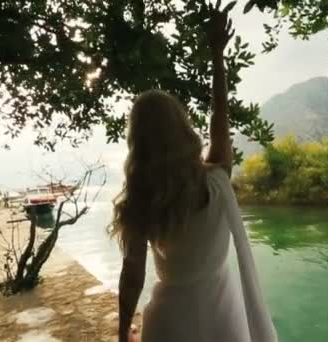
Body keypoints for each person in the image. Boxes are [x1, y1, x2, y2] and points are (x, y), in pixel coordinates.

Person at [110, 4, 277, 342]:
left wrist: (122, 330)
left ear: (137, 143)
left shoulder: (141, 201)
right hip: (223, 313)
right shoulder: (216, 181)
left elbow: (132, 276)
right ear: (184, 129)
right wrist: (217, 56)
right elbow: (220, 119)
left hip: (170, 323)